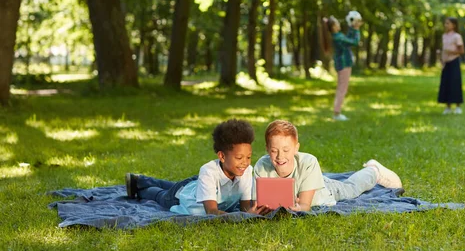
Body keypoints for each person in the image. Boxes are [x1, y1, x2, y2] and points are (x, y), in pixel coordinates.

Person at [125, 119, 268, 215]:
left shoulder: (246, 171)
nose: (245, 162)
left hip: (196, 185)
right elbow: (211, 212)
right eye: (239, 158)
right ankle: (139, 183)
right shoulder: (208, 171)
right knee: (159, 195)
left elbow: (244, 208)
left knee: (175, 184)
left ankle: (141, 179)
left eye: (248, 157)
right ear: (222, 156)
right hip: (181, 197)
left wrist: (253, 212)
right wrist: (243, 217)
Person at [253, 120, 403, 211]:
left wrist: (300, 208)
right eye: (274, 151)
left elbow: (305, 205)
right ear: (267, 149)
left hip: (324, 191)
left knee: (351, 189)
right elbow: (254, 204)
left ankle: (373, 170)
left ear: (296, 148)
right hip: (308, 182)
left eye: (286, 150)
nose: (280, 156)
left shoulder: (308, 162)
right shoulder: (261, 166)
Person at [321, 15, 363, 121]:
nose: (339, 24)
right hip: (343, 65)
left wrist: (352, 28)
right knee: (342, 89)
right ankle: (337, 113)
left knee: (342, 88)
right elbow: (354, 42)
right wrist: (357, 30)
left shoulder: (338, 35)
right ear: (333, 27)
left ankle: (337, 112)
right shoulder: (338, 37)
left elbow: (348, 39)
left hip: (344, 64)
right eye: (337, 23)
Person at [437, 17, 465, 114]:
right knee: (446, 83)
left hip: (454, 61)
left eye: (448, 23)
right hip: (446, 62)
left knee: (455, 83)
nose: (446, 25)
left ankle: (458, 106)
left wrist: (451, 51)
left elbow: (461, 50)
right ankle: (447, 106)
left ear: (454, 25)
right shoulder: (444, 36)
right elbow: (444, 49)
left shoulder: (457, 36)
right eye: (445, 23)